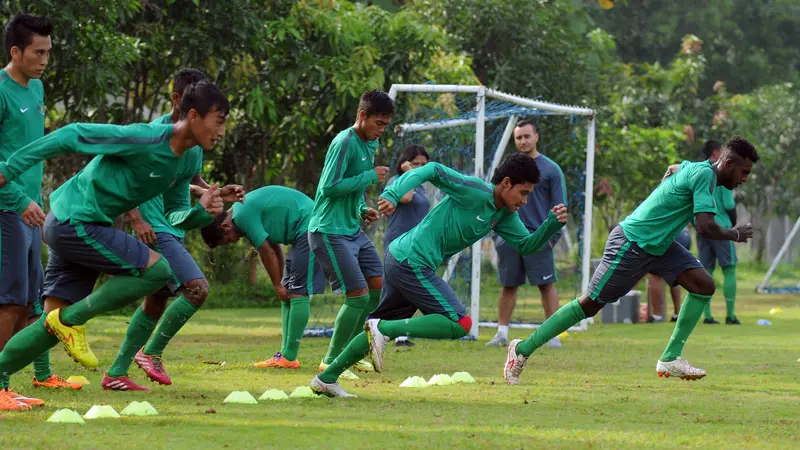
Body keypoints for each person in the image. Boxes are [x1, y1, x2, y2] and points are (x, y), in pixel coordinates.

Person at [0, 82, 230, 406]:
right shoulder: (146, 137)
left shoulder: (190, 158)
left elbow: (174, 215)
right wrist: (8, 170)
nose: (222, 131)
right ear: (193, 115)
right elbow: (73, 133)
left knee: (49, 326)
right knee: (158, 270)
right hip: (74, 221)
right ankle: (71, 320)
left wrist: (201, 211)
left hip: (81, 223)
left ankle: (1, 382)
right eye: (219, 120)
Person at [503, 136, 758, 386]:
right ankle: (522, 349)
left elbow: (674, 168)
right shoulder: (704, 175)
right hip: (632, 243)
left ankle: (670, 358)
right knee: (590, 305)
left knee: (704, 285)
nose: (744, 180)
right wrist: (734, 233)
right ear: (727, 165)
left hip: (658, 245)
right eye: (743, 173)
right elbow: (704, 227)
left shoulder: (697, 168)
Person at [309, 153, 567, 397]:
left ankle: (327, 378)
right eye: (523, 193)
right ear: (506, 183)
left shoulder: (505, 216)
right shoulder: (474, 190)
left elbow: (526, 245)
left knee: (375, 331)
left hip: (403, 260)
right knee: (460, 323)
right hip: (411, 261)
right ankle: (383, 329)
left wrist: (550, 226)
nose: (524, 201)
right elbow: (432, 170)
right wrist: (394, 192)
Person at [101, 71, 245, 391]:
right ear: (180, 102)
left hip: (172, 226)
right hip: (156, 230)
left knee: (157, 300)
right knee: (197, 289)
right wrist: (137, 218)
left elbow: (186, 183)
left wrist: (215, 195)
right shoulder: (152, 134)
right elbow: (120, 170)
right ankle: (150, 352)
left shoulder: (194, 144)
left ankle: (116, 372)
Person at [0, 13, 80, 413]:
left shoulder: (36, 89)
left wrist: (36, 198)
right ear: (16, 51)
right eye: (38, 52)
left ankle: (27, 377)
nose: (45, 59)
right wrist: (18, 200)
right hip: (7, 208)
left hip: (30, 209)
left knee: (31, 303)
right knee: (9, 302)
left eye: (49, 52)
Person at [308, 90, 393, 380]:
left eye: (385, 125)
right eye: (378, 123)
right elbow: (328, 187)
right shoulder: (344, 141)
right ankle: (330, 362)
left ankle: (349, 354)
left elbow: (352, 188)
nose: (381, 130)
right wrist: (370, 177)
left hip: (351, 229)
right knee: (357, 295)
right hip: (328, 230)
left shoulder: (371, 143)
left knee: (378, 287)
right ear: (362, 116)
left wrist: (361, 208)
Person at [200, 186, 326, 369]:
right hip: (303, 229)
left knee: (298, 293)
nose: (234, 242)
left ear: (225, 226)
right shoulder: (239, 213)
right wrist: (281, 283)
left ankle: (289, 357)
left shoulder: (242, 215)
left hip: (310, 225)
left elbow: (266, 252)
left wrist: (277, 285)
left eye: (228, 240)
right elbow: (273, 247)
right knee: (287, 294)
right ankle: (285, 356)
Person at [487, 120, 567, 349]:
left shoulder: (551, 169)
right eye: (519, 137)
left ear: (536, 137)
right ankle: (501, 333)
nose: (523, 141)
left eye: (526, 136)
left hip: (539, 238)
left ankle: (552, 334)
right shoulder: (508, 168)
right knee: (508, 285)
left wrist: (552, 239)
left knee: (546, 285)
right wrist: (496, 235)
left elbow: (560, 206)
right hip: (508, 239)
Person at [382, 145, 431, 348]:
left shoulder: (422, 187)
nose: (420, 168)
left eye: (423, 165)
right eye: (415, 164)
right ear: (404, 164)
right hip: (397, 242)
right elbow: (406, 198)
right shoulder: (397, 181)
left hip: (416, 244)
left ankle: (400, 333)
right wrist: (410, 174)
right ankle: (381, 329)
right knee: (392, 288)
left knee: (411, 288)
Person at [696, 139, 739, 325]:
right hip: (721, 227)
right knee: (729, 268)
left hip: (702, 228)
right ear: (715, 153)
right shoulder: (723, 173)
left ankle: (707, 316)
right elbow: (729, 204)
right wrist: (733, 226)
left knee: (706, 271)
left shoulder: (698, 173)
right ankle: (730, 315)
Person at [646, 227, 691, 322]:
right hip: (684, 233)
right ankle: (677, 314)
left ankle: (656, 316)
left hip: (665, 233)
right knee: (675, 275)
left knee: (654, 275)